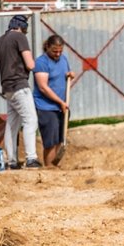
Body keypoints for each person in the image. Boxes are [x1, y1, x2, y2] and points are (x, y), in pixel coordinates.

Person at [0, 14, 42, 169]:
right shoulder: (19, 37)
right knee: (31, 120)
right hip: (19, 85)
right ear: (22, 27)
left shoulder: (0, 41)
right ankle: (31, 159)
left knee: (12, 124)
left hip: (7, 87)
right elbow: (30, 64)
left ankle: (12, 161)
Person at [33, 34, 74, 166]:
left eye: (60, 51)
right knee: (50, 142)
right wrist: (60, 102)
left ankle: (55, 166)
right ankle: (49, 168)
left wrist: (69, 75)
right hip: (46, 107)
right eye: (54, 51)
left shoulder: (63, 59)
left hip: (62, 106)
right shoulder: (41, 62)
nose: (58, 54)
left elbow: (65, 77)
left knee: (59, 140)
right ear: (47, 47)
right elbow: (43, 87)